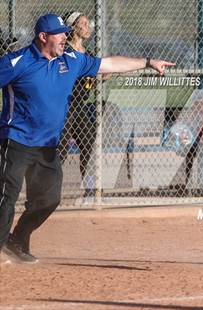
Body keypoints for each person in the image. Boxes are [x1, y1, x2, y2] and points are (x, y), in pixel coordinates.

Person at [0, 13, 175, 264]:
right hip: (15, 140)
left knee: (49, 198)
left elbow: (109, 65)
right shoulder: (16, 62)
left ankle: (17, 240)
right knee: (7, 195)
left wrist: (148, 62)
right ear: (43, 37)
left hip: (48, 145)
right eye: (60, 33)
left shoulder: (71, 60)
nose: (65, 37)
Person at [58, 12, 99, 197]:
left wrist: (102, 75)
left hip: (80, 106)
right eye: (83, 24)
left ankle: (89, 187)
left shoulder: (88, 54)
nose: (88, 26)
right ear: (73, 27)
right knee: (61, 149)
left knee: (88, 142)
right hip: (64, 106)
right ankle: (50, 188)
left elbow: (96, 73)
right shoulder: (65, 52)